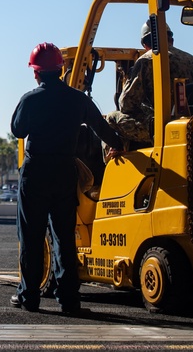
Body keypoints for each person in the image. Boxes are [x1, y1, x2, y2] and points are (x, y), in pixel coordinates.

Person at [11, 42, 123, 314]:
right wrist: (119, 144)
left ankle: (29, 297)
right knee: (64, 237)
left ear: (36, 72)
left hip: (35, 173)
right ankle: (70, 299)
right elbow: (102, 128)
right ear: (61, 70)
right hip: (64, 173)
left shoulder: (30, 99)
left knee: (32, 237)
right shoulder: (79, 100)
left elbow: (17, 130)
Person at [106, 19, 193, 144]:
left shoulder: (146, 61)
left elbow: (126, 104)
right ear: (171, 40)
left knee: (111, 118)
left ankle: (115, 152)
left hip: (163, 127)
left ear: (145, 45)